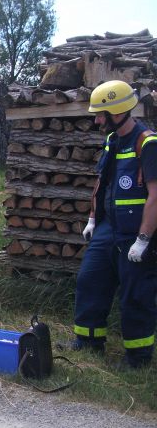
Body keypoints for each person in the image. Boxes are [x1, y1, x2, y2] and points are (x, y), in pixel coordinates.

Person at [66, 80, 157, 369]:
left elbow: (155, 195)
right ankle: (88, 341)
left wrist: (144, 238)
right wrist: (93, 219)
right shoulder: (111, 140)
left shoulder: (148, 143)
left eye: (101, 114)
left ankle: (138, 358)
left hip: (135, 234)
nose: (97, 120)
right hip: (108, 229)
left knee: (135, 294)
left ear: (118, 111)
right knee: (89, 281)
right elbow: (101, 184)